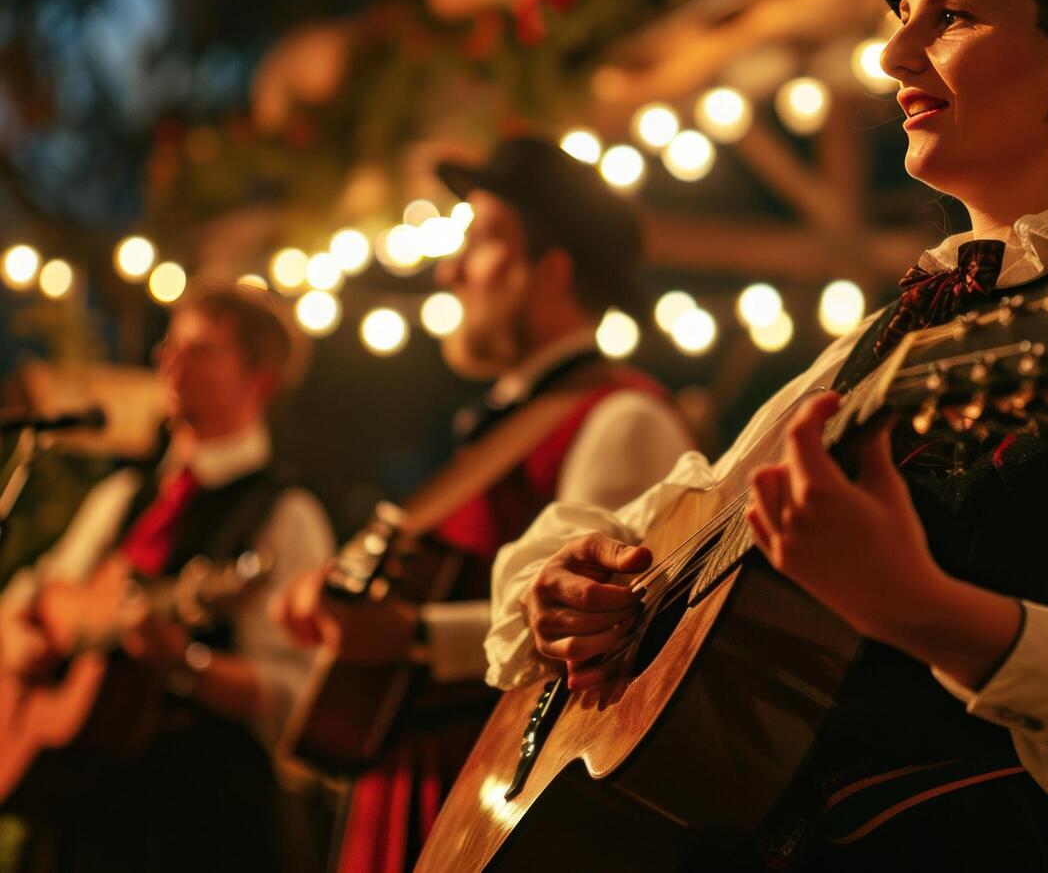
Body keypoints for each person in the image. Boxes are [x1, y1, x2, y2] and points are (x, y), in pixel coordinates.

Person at [483, 0, 1048, 868]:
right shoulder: (889, 336)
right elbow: (687, 512)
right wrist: (573, 581)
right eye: (901, 19)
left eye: (950, 18)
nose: (893, 56)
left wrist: (924, 607)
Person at [274, 136, 691, 873]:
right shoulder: (491, 431)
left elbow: (611, 621)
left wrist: (413, 636)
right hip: (421, 788)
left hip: (499, 804)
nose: (449, 270)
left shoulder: (622, 416)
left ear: (551, 272)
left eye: (482, 242)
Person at [0, 282, 334, 872]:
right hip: (83, 811)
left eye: (200, 348)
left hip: (199, 821)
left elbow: (296, 694)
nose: (169, 362)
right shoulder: (125, 494)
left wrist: (187, 663)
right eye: (169, 345)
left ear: (260, 377)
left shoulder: (286, 514)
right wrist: (21, 640)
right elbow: (36, 593)